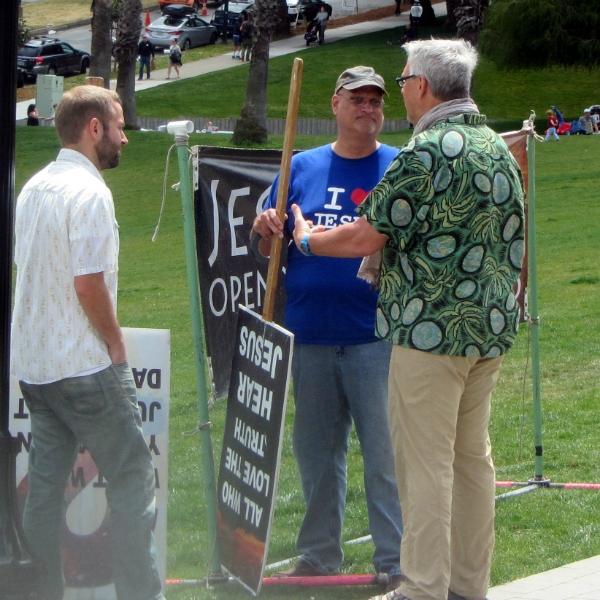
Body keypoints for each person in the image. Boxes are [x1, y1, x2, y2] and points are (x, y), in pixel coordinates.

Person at [289, 40, 525, 600]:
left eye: (399, 83)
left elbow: (365, 235)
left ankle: (421, 587)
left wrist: (306, 237)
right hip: (487, 334)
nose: (398, 93)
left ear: (421, 86)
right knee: (472, 464)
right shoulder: (496, 147)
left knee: (424, 469)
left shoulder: (425, 153)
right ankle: (469, 585)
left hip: (430, 336)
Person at [252, 66, 403, 593]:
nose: (368, 108)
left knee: (384, 454)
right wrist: (266, 227)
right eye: (357, 99)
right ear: (335, 104)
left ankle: (395, 558)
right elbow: (268, 244)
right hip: (310, 332)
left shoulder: (397, 167)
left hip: (375, 335)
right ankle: (318, 556)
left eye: (376, 101)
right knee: (317, 454)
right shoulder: (302, 166)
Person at [11, 86, 164, 600]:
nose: (125, 136)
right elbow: (87, 284)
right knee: (132, 476)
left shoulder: (32, 187)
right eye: (119, 125)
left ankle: (35, 594)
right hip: (83, 365)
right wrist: (116, 342)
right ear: (94, 128)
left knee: (45, 490)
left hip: (34, 366)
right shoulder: (91, 192)